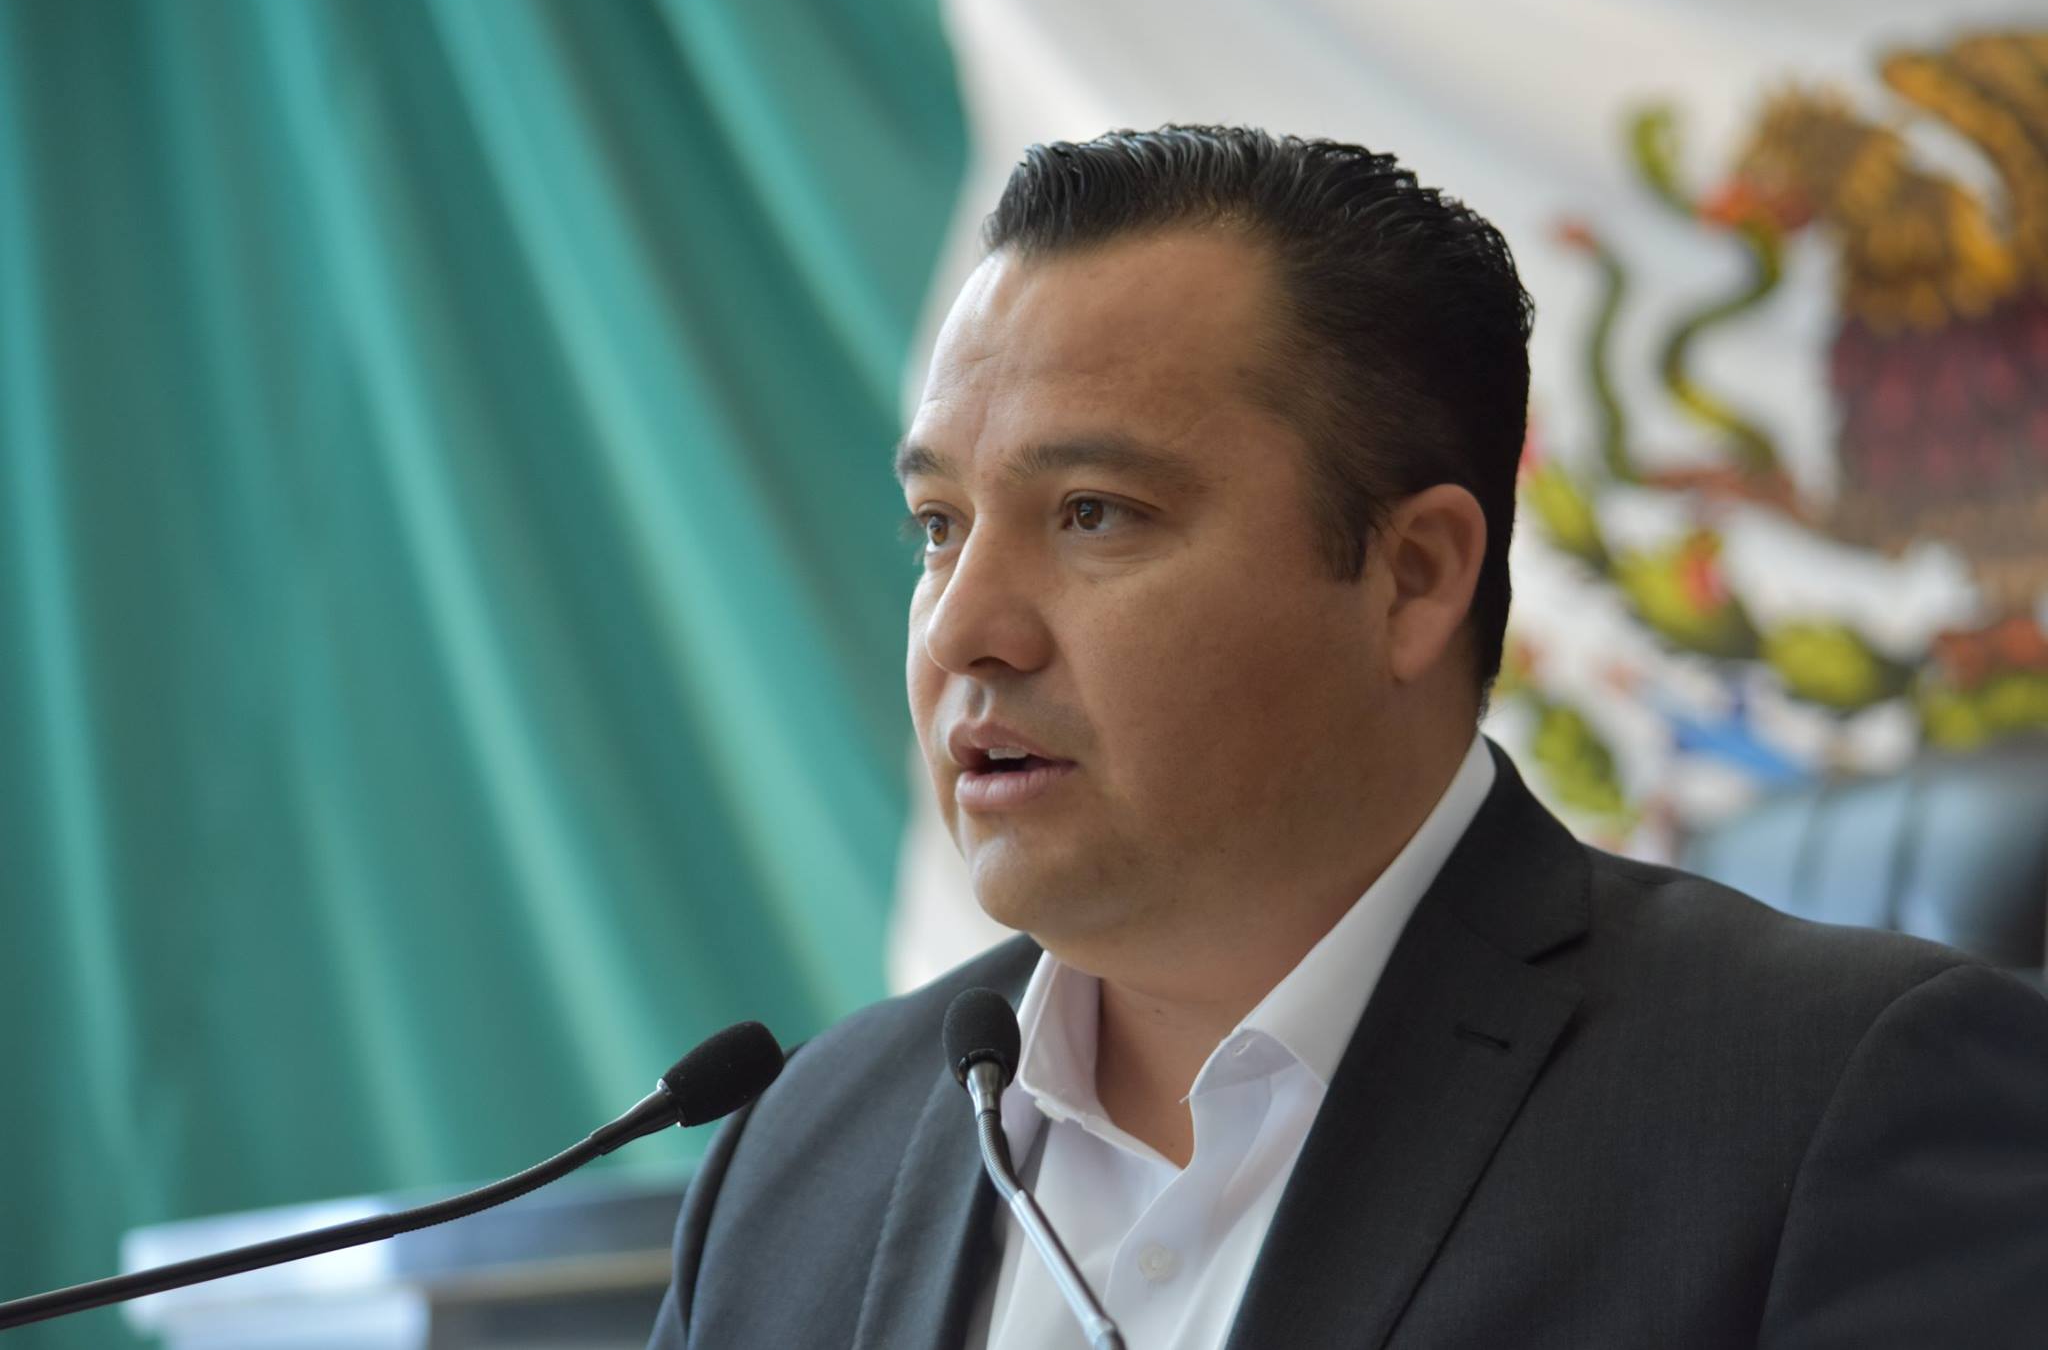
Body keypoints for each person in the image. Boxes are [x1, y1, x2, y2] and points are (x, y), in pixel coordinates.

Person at [646, 126, 2048, 1349]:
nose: (964, 629)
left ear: (1414, 577)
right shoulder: (802, 1151)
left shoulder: (1829, 1103)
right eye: (939, 527)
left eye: (1093, 513)